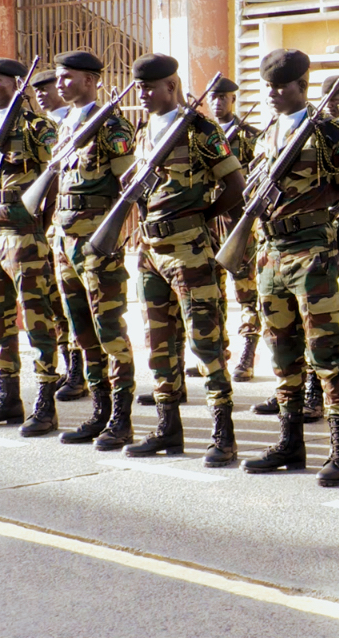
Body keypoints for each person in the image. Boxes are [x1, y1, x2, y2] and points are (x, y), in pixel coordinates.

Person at [240, 49, 339, 487]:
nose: (274, 94)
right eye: (269, 86)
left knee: (327, 353)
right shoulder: (266, 135)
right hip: (272, 253)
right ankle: (290, 442)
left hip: (313, 251)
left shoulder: (332, 133)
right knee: (282, 352)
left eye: (283, 86)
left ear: (302, 85)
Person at [119, 54, 243, 466]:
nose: (142, 93)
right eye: (139, 87)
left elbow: (234, 186)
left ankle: (223, 436)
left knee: (205, 342)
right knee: (158, 344)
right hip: (149, 252)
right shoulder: (143, 132)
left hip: (189, 250)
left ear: (172, 87)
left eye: (150, 87)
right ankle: (167, 428)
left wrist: (202, 220)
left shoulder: (200, 131)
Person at [0, 58, 65, 436]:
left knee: (37, 320)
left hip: (24, 236)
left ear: (16, 83)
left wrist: (40, 224)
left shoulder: (38, 127)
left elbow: (54, 180)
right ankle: (8, 397)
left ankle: (45, 402)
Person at [48, 50, 139, 451]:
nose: (60, 84)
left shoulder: (112, 126)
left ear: (91, 80)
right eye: (59, 77)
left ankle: (121, 417)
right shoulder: (65, 124)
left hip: (96, 244)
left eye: (68, 77)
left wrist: (117, 237)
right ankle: (100, 410)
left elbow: (129, 188)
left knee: (110, 330)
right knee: (81, 330)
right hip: (64, 241)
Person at [28, 68, 89, 402]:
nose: (42, 94)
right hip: (52, 231)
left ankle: (79, 372)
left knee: (72, 307)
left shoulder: (66, 125)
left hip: (70, 226)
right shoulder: (52, 126)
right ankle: (71, 367)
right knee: (57, 304)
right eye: (36, 90)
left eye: (47, 87)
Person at [208, 76, 264, 382]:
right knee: (212, 293)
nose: (218, 103)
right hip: (211, 224)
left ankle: (248, 354)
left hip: (239, 224)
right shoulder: (200, 135)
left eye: (224, 97)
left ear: (233, 101)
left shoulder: (250, 137)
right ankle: (218, 353)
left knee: (245, 292)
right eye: (213, 98)